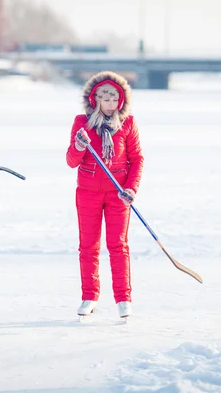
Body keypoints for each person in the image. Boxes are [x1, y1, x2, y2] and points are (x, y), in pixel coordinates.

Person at [66, 71, 144, 318]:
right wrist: (79, 146)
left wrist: (131, 187)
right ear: (95, 99)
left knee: (118, 246)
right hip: (87, 193)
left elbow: (137, 159)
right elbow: (71, 161)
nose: (111, 105)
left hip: (118, 195)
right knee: (88, 247)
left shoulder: (127, 123)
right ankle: (89, 297)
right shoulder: (82, 123)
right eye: (105, 99)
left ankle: (123, 298)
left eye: (115, 100)